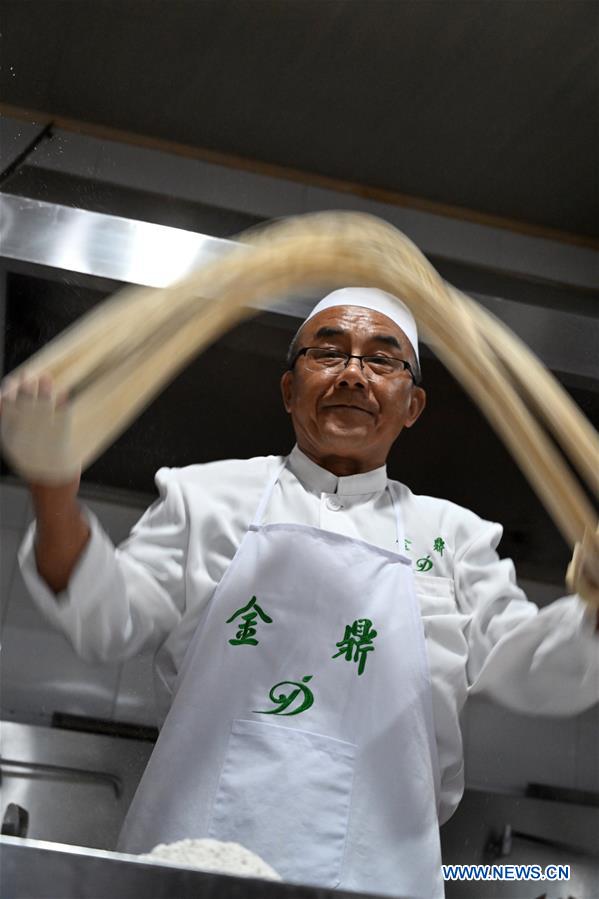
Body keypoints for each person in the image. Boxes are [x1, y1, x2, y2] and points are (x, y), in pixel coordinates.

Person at [10, 288, 599, 898]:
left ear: (413, 404)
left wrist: (595, 613)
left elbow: (534, 664)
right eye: (329, 353)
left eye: (382, 359)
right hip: (189, 864)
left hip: (379, 873)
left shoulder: (454, 537)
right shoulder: (207, 498)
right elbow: (108, 618)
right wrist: (54, 496)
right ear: (290, 390)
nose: (353, 375)